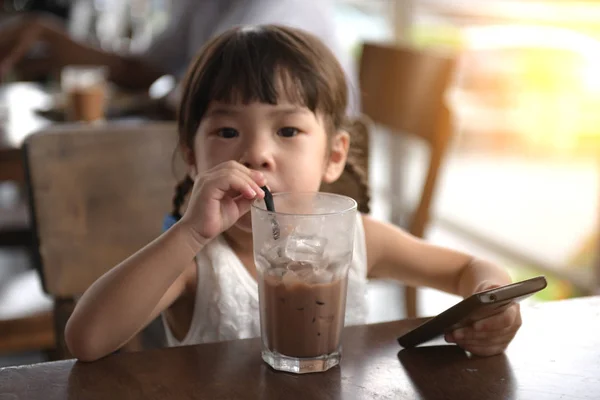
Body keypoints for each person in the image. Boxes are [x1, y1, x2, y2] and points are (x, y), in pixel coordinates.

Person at [64, 25, 521, 362]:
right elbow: (86, 340)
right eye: (226, 130)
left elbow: (468, 268)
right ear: (192, 156)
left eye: (287, 129)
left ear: (334, 155)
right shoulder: (196, 263)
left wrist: (494, 299)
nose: (257, 153)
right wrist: (187, 234)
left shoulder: (359, 238)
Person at [0, 0, 359, 116]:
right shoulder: (206, 4)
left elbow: (192, 103)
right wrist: (49, 37)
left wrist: (114, 111)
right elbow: (140, 69)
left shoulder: (281, 9)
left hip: (301, 188)